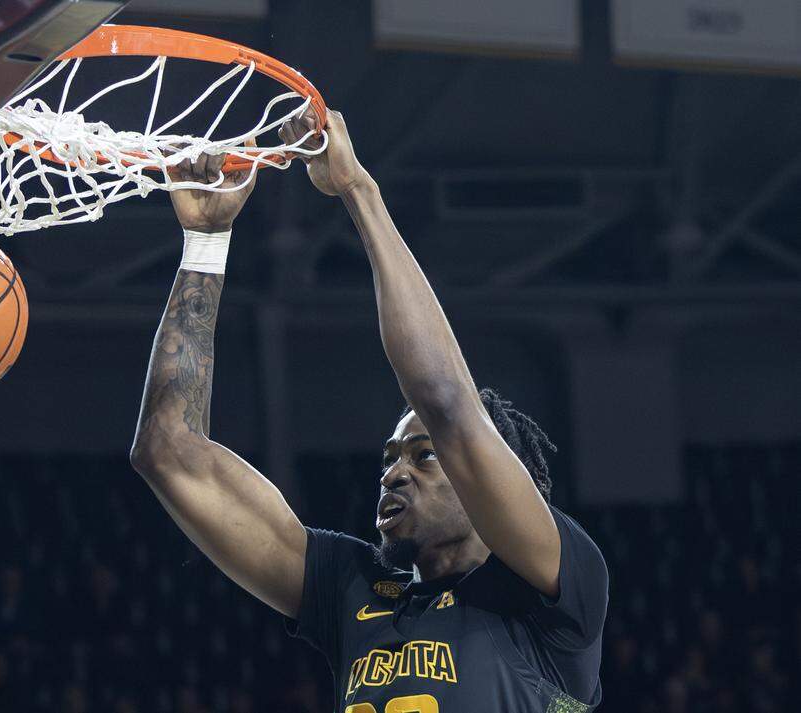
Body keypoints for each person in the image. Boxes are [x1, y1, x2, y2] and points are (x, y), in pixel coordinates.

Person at [129, 111, 608, 712]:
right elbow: (168, 451)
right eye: (389, 458)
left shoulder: (554, 592)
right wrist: (205, 243)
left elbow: (445, 401)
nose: (394, 474)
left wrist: (357, 190)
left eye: (423, 456)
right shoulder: (351, 588)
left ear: (497, 476)